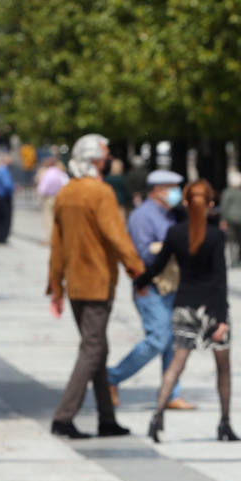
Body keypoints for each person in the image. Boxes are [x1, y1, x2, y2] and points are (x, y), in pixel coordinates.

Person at [47, 133, 146, 439]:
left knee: (98, 348)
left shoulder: (66, 193)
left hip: (75, 283)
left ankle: (106, 418)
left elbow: (57, 244)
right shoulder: (99, 193)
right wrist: (138, 271)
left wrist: (56, 285)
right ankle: (63, 417)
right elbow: (117, 236)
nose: (107, 160)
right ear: (93, 160)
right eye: (103, 156)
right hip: (98, 282)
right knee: (92, 349)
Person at [136, 179, 237, 442]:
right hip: (211, 309)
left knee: (176, 364)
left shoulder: (175, 233)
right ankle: (224, 422)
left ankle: (156, 417)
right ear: (211, 204)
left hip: (184, 305)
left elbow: (157, 265)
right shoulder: (216, 236)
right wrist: (222, 318)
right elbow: (220, 278)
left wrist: (141, 282)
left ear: (185, 202)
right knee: (223, 367)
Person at [107, 166, 190, 411]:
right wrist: (169, 247)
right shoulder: (142, 216)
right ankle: (111, 377)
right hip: (150, 286)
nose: (176, 193)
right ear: (158, 190)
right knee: (158, 338)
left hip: (172, 284)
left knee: (172, 340)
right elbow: (142, 253)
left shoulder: (172, 214)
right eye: (172, 189)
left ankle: (170, 393)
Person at [220, 168, 241, 268]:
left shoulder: (227, 192)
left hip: (230, 219)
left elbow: (224, 207)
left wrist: (223, 220)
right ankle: (239, 260)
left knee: (231, 241)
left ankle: (233, 261)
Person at [36, 154, 69, 238]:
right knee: (57, 218)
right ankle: (57, 236)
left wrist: (40, 195)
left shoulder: (48, 173)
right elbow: (65, 184)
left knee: (48, 218)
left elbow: (42, 188)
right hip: (58, 197)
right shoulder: (59, 173)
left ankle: (50, 237)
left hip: (48, 198)